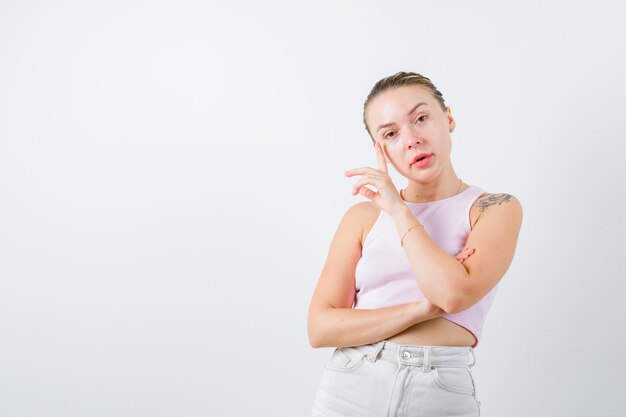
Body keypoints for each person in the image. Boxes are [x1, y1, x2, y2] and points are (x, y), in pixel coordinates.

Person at [307, 72, 523, 417]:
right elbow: (320, 328)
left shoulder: (494, 208)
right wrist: (420, 310)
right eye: (391, 134)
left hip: (438, 388)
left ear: (448, 118)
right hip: (350, 383)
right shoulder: (362, 218)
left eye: (421, 118)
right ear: (381, 150)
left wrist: (399, 209)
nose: (411, 140)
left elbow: (452, 296)